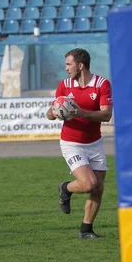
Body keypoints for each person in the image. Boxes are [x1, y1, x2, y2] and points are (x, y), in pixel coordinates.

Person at [46, 48, 113, 239]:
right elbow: (49, 114)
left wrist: (81, 112)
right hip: (71, 142)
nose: (66, 68)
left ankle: (86, 230)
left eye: (69, 64)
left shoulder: (101, 84)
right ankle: (65, 188)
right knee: (89, 183)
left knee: (98, 188)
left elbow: (106, 114)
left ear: (80, 65)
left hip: (95, 142)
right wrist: (55, 112)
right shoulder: (64, 85)